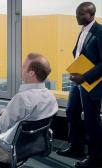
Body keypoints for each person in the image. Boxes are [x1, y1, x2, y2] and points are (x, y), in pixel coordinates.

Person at [56, 2, 102, 167]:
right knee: (71, 111)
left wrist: (85, 77)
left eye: (81, 14)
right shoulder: (82, 30)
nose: (77, 16)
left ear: (91, 14)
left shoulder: (100, 31)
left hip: (92, 83)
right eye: (77, 13)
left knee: (91, 120)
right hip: (78, 81)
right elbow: (79, 52)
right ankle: (76, 147)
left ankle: (95, 158)